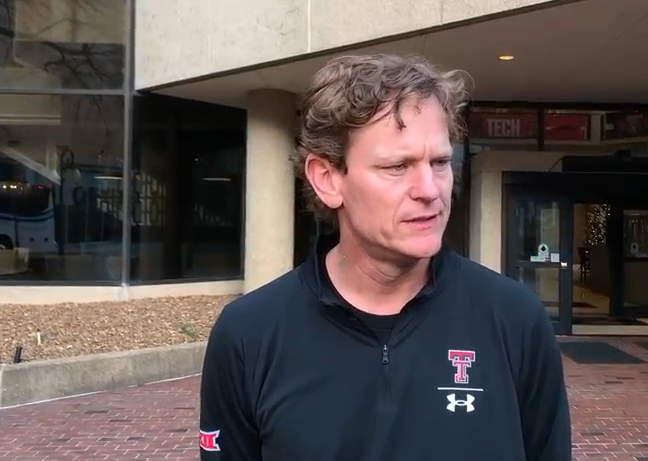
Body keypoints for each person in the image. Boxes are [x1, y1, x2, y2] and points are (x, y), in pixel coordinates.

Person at [198, 53, 570, 460]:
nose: (430, 189)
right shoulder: (249, 334)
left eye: (441, 162)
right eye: (397, 166)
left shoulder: (515, 319)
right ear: (326, 179)